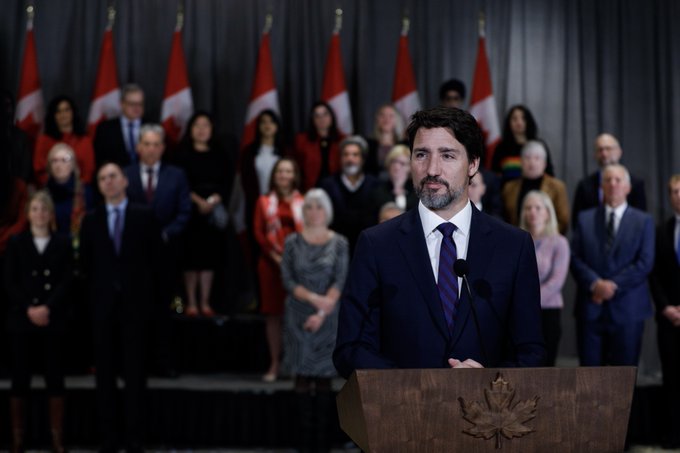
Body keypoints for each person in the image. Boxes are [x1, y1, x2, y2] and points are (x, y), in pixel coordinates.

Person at [333, 106, 546, 378]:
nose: (432, 169)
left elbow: (531, 351)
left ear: (473, 164)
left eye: (447, 155)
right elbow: (350, 349)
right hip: (402, 403)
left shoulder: (514, 246)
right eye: (421, 154)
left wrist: (489, 380)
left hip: (487, 404)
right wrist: (417, 387)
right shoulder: (376, 245)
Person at [79, 162, 161, 452]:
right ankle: (109, 439)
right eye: (102, 178)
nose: (108, 182)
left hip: (135, 310)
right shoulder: (91, 220)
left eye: (113, 176)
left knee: (135, 376)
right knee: (105, 377)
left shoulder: (144, 216)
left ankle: (135, 438)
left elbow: (157, 263)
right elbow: (86, 267)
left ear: (125, 181)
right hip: (102, 310)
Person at [280, 188, 349, 452]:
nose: (314, 212)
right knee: (300, 377)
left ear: (327, 211)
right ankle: (303, 442)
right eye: (309, 207)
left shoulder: (339, 242)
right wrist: (313, 299)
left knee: (323, 380)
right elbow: (287, 280)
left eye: (319, 207)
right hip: (298, 316)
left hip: (328, 318)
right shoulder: (292, 242)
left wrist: (322, 311)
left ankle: (322, 443)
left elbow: (340, 280)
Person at [4, 191, 73, 453]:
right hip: (22, 318)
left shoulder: (63, 242)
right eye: (35, 209)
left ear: (51, 214)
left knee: (55, 377)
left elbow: (67, 280)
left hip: (52, 318)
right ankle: (17, 439)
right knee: (20, 378)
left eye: (44, 209)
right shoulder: (16, 243)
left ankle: (57, 438)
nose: (40, 214)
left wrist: (47, 307)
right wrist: (29, 308)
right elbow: (9, 281)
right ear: (28, 214)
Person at [570, 164, 654, 367]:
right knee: (589, 379)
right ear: (601, 187)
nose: (613, 184)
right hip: (591, 309)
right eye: (607, 180)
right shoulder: (584, 218)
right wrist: (595, 284)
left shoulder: (644, 221)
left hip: (628, 310)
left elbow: (645, 262)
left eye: (618, 180)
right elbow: (574, 257)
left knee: (623, 379)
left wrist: (612, 286)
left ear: (628, 187)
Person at [124, 124, 191, 377]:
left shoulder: (177, 175)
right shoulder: (125, 174)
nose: (151, 149)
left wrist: (165, 234)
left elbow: (184, 211)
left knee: (167, 309)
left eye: (156, 145)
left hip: (167, 256)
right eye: (147, 144)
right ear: (138, 147)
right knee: (135, 312)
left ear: (162, 148)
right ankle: (136, 364)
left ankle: (165, 362)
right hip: (134, 257)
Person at [175, 111, 236, 317]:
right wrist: (198, 201)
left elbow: (227, 182)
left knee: (210, 257)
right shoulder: (181, 154)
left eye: (205, 125)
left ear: (212, 130)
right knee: (191, 258)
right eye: (197, 125)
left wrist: (214, 200)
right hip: (189, 211)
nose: (201, 130)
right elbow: (179, 182)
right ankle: (191, 302)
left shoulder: (220, 154)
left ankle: (205, 301)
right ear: (190, 129)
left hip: (213, 211)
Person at [254, 158, 305, 382]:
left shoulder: (304, 202)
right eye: (280, 171)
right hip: (270, 265)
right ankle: (274, 362)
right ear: (274, 175)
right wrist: (276, 258)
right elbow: (258, 233)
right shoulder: (264, 202)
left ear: (294, 175)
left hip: (298, 266)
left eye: (288, 171)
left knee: (295, 315)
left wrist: (294, 260)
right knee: (273, 315)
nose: (284, 175)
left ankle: (294, 363)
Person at [519, 190, 570, 366]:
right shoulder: (517, 241)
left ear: (548, 213)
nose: (532, 212)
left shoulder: (559, 242)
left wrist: (527, 301)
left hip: (547, 313)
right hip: (520, 314)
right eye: (528, 208)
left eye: (538, 208)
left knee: (545, 368)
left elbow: (556, 282)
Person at [650, 174, 680, 449]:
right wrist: (666, 307)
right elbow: (654, 274)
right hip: (668, 318)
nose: (678, 196)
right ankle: (673, 434)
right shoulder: (661, 230)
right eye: (674, 191)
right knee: (671, 377)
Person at [571, 133, 647, 228]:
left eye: (608, 149)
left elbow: (641, 221)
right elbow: (577, 222)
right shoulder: (584, 185)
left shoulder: (636, 184)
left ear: (619, 152)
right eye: (600, 150)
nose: (604, 154)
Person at [319, 135, 378, 253]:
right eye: (346, 155)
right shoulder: (328, 185)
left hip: (368, 248)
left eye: (355, 155)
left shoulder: (374, 185)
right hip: (334, 250)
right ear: (340, 158)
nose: (350, 159)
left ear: (363, 159)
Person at [501, 140, 570, 234]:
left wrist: (544, 236)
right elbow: (504, 218)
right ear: (521, 162)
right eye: (527, 158)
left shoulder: (557, 187)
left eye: (537, 158)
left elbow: (563, 221)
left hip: (547, 238)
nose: (532, 162)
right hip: (514, 237)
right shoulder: (509, 187)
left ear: (544, 164)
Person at [33, 95, 95, 186]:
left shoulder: (85, 140)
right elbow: (39, 170)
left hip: (80, 189)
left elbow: (89, 170)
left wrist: (78, 188)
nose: (63, 114)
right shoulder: (44, 140)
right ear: (53, 115)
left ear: (73, 112)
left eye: (67, 110)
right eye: (58, 111)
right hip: (51, 189)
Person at [491, 105, 554, 185]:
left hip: (537, 190)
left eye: (523, 118)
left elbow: (549, 174)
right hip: (508, 191)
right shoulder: (501, 148)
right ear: (509, 123)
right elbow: (495, 176)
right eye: (514, 119)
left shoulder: (539, 145)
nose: (519, 122)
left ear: (529, 121)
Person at [44, 143, 93, 238]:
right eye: (54, 160)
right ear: (49, 166)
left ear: (73, 164)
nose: (59, 165)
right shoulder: (44, 194)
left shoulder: (85, 192)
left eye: (64, 160)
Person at [294, 101, 344, 191]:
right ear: (312, 120)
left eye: (325, 114)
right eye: (317, 116)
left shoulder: (343, 140)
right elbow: (296, 168)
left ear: (332, 117)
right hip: (310, 189)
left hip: (337, 190)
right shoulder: (302, 141)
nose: (322, 119)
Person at [93, 84, 146, 168]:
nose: (137, 107)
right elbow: (100, 159)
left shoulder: (153, 126)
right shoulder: (105, 129)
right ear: (122, 104)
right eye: (132, 104)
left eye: (140, 104)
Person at [370, 144, 418, 216]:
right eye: (394, 162)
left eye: (402, 163)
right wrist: (397, 187)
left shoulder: (417, 192)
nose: (396, 167)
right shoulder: (378, 191)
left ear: (410, 168)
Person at [364, 104, 405, 177]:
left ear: (397, 120)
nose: (386, 119)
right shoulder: (367, 144)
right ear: (377, 120)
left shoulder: (405, 145)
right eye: (382, 115)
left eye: (391, 116)